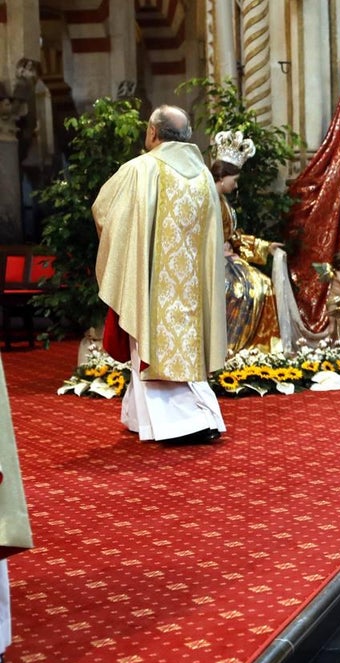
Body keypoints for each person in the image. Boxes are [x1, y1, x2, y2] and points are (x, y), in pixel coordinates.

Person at [94, 105, 227, 444]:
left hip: (151, 284)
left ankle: (184, 424)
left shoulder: (141, 169)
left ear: (153, 132)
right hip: (193, 289)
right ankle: (146, 418)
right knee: (181, 347)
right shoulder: (203, 176)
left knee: (149, 344)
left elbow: (104, 212)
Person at [210, 131, 284, 353]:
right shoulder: (207, 200)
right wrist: (217, 249)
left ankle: (257, 349)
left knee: (265, 285)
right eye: (234, 181)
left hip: (227, 260)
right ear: (222, 177)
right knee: (249, 290)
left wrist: (265, 246)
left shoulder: (223, 201)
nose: (236, 186)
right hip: (213, 264)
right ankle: (233, 348)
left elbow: (234, 237)